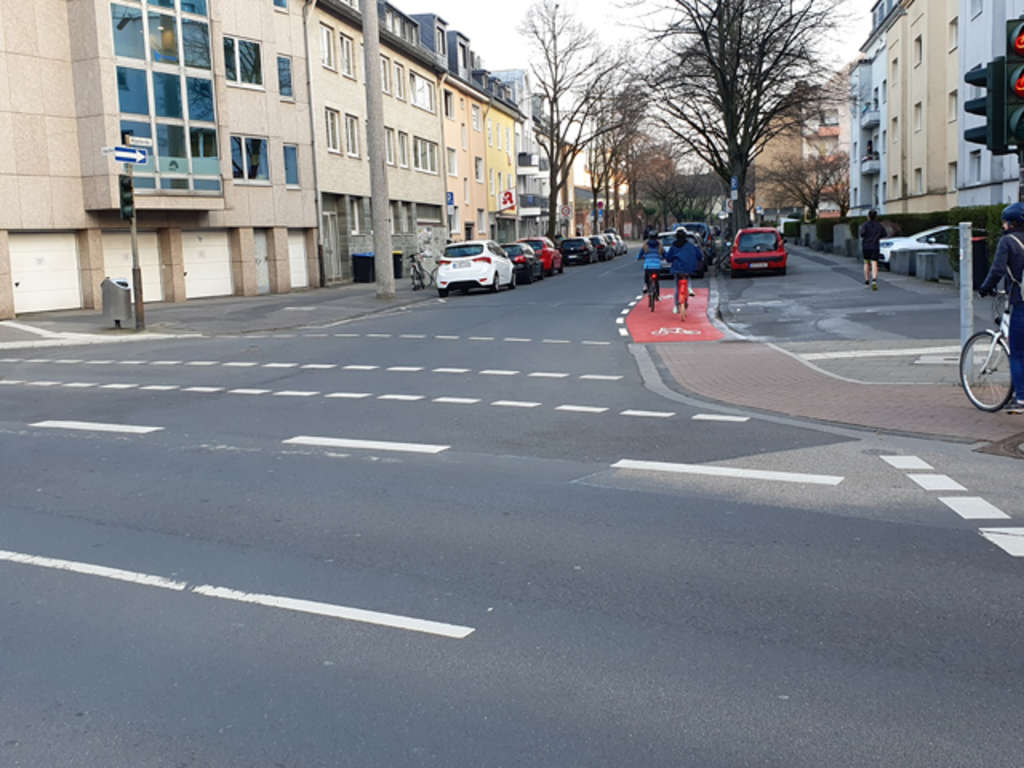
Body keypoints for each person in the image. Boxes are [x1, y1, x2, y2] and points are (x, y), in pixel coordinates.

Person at [979, 202, 1024, 414]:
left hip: (1021, 302)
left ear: (1010, 222)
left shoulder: (1008, 241)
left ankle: (1021, 398)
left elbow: (997, 269)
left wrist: (985, 288)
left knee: (1016, 352)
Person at [665, 231, 703, 319]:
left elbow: (668, 258)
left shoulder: (674, 246)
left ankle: (675, 306)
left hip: (677, 269)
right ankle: (689, 288)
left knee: (677, 287)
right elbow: (699, 255)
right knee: (688, 275)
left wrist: (669, 259)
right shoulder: (690, 245)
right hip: (688, 268)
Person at [860, 209, 884, 290]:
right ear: (876, 217)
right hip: (875, 246)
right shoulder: (879, 225)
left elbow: (862, 234)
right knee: (874, 263)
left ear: (868, 216)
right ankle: (874, 280)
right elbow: (884, 234)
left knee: (866, 263)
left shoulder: (865, 225)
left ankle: (867, 280)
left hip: (866, 246)